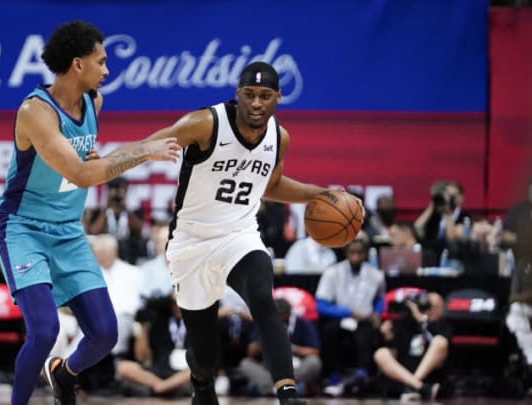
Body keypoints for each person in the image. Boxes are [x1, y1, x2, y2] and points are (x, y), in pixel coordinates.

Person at [144, 61, 358, 405]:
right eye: (250, 94)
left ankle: (288, 395)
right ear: (238, 94)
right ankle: (203, 387)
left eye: (266, 95)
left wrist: (318, 194)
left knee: (263, 299)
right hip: (191, 243)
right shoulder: (205, 122)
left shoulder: (279, 137)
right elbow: (147, 147)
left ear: (278, 97)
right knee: (204, 353)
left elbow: (270, 187)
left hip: (239, 234)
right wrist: (100, 164)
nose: (257, 103)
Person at [0, 20, 181, 405]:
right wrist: (144, 150)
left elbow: (88, 160)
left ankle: (63, 373)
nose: (107, 70)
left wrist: (105, 155)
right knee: (44, 331)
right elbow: (80, 173)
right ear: (77, 64)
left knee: (105, 333)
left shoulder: (94, 102)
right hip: (24, 228)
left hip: (67, 229)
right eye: (101, 60)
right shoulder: (35, 111)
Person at [315, 238, 385, 397]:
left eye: (360, 253)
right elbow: (321, 305)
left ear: (366, 254)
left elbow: (380, 299)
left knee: (367, 333)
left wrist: (377, 313)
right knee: (329, 331)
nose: (356, 257)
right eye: (352, 253)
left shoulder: (376, 275)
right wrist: (347, 312)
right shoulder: (332, 272)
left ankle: (362, 376)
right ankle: (335, 377)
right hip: (340, 317)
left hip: (365, 319)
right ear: (346, 253)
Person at [374, 291, 449, 401]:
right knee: (381, 353)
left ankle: (412, 387)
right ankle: (419, 387)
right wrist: (387, 336)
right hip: (405, 374)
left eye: (436, 307)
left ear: (442, 309)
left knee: (440, 341)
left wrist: (422, 321)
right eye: (428, 305)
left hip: (430, 376)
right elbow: (394, 350)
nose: (431, 310)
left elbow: (438, 344)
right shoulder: (405, 323)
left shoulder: (445, 326)